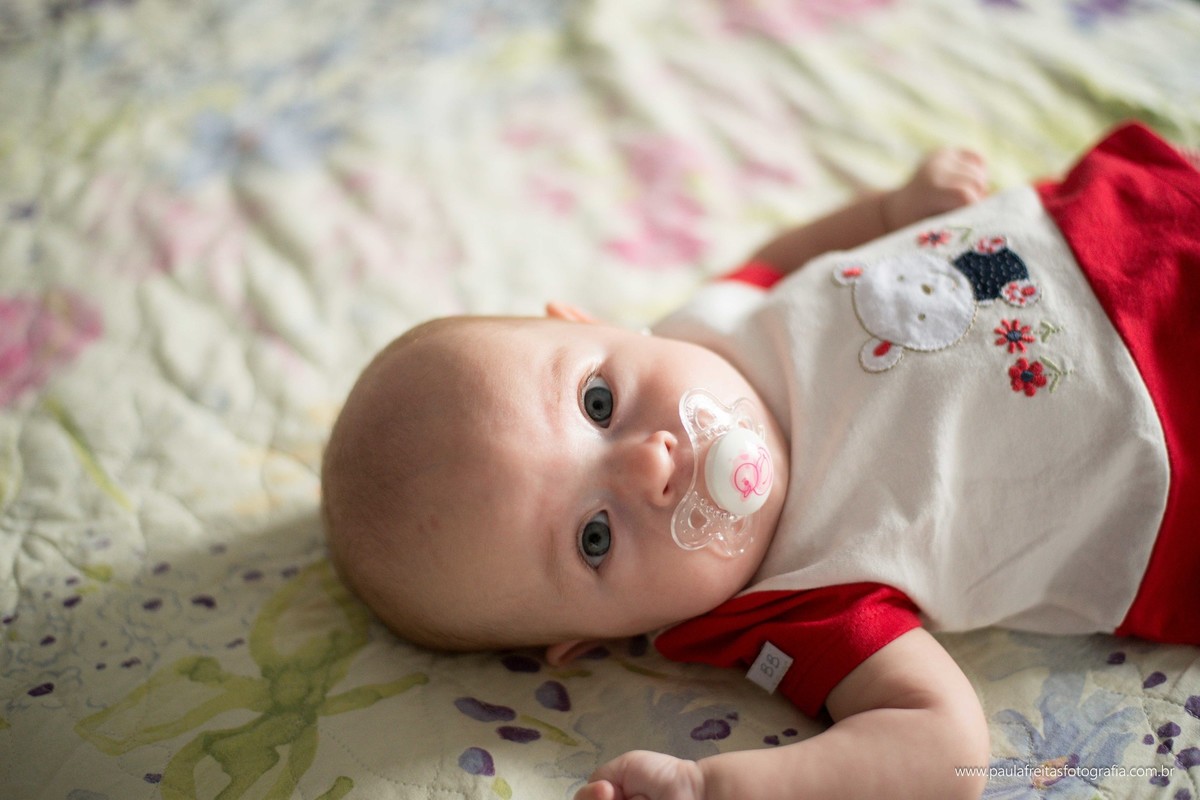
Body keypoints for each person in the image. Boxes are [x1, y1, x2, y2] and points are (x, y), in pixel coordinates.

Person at [320, 122, 1200, 800]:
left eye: (599, 405)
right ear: (594, 640)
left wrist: (894, 211)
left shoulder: (706, 324)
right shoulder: (793, 606)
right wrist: (718, 786)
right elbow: (948, 750)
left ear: (593, 326)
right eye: (594, 538)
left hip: (1125, 228)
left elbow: (788, 259)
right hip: (1175, 448)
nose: (651, 466)